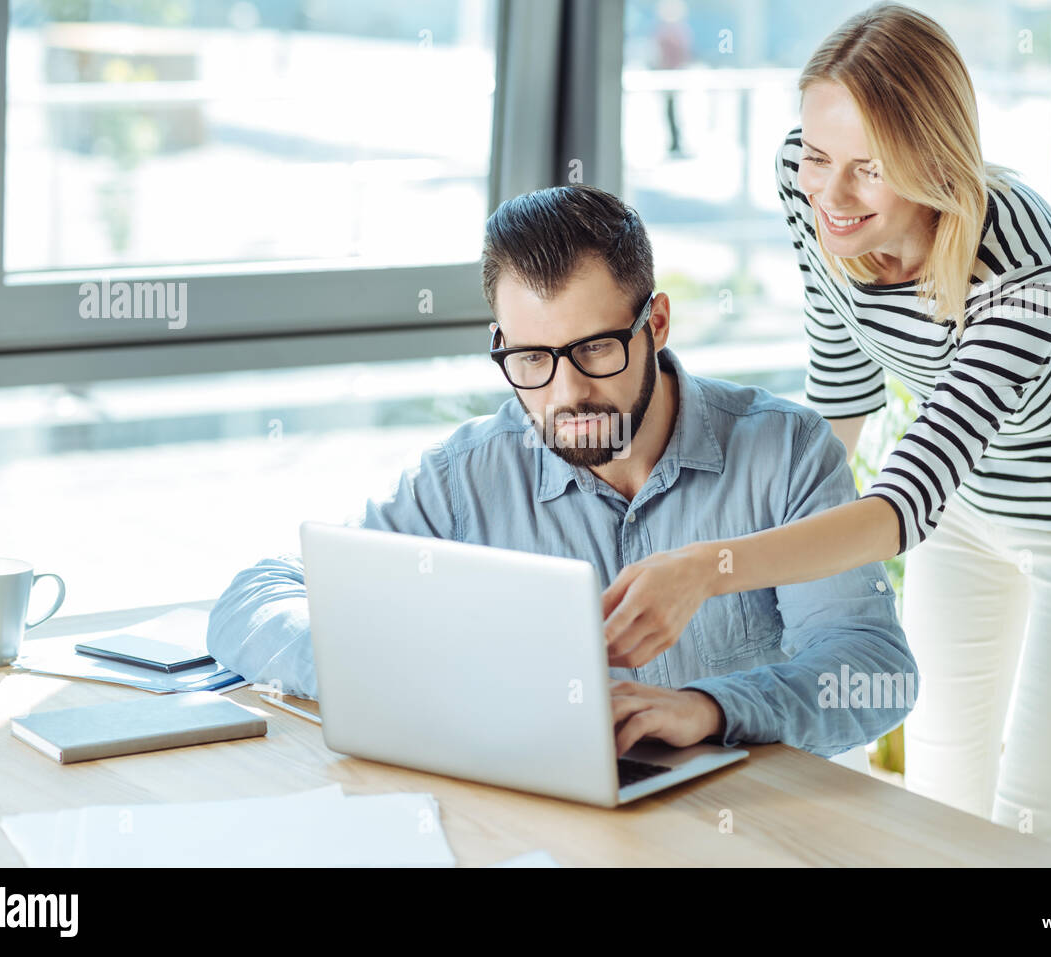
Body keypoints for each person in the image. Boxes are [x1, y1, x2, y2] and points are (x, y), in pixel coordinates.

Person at [599, 2, 1051, 851]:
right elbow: (841, 381)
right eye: (820, 155)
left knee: (1029, 819)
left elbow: (900, 506)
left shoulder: (1025, 269)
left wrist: (708, 567)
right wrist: (768, 565)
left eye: (868, 169)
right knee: (939, 791)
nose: (830, 194)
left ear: (933, 160)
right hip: (969, 510)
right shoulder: (809, 182)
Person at [207, 183, 916, 762]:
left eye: (596, 349)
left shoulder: (785, 451)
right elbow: (257, 597)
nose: (565, 394)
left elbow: (875, 670)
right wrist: (401, 671)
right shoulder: (471, 476)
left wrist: (709, 709)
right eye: (532, 360)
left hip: (741, 827)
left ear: (658, 322)